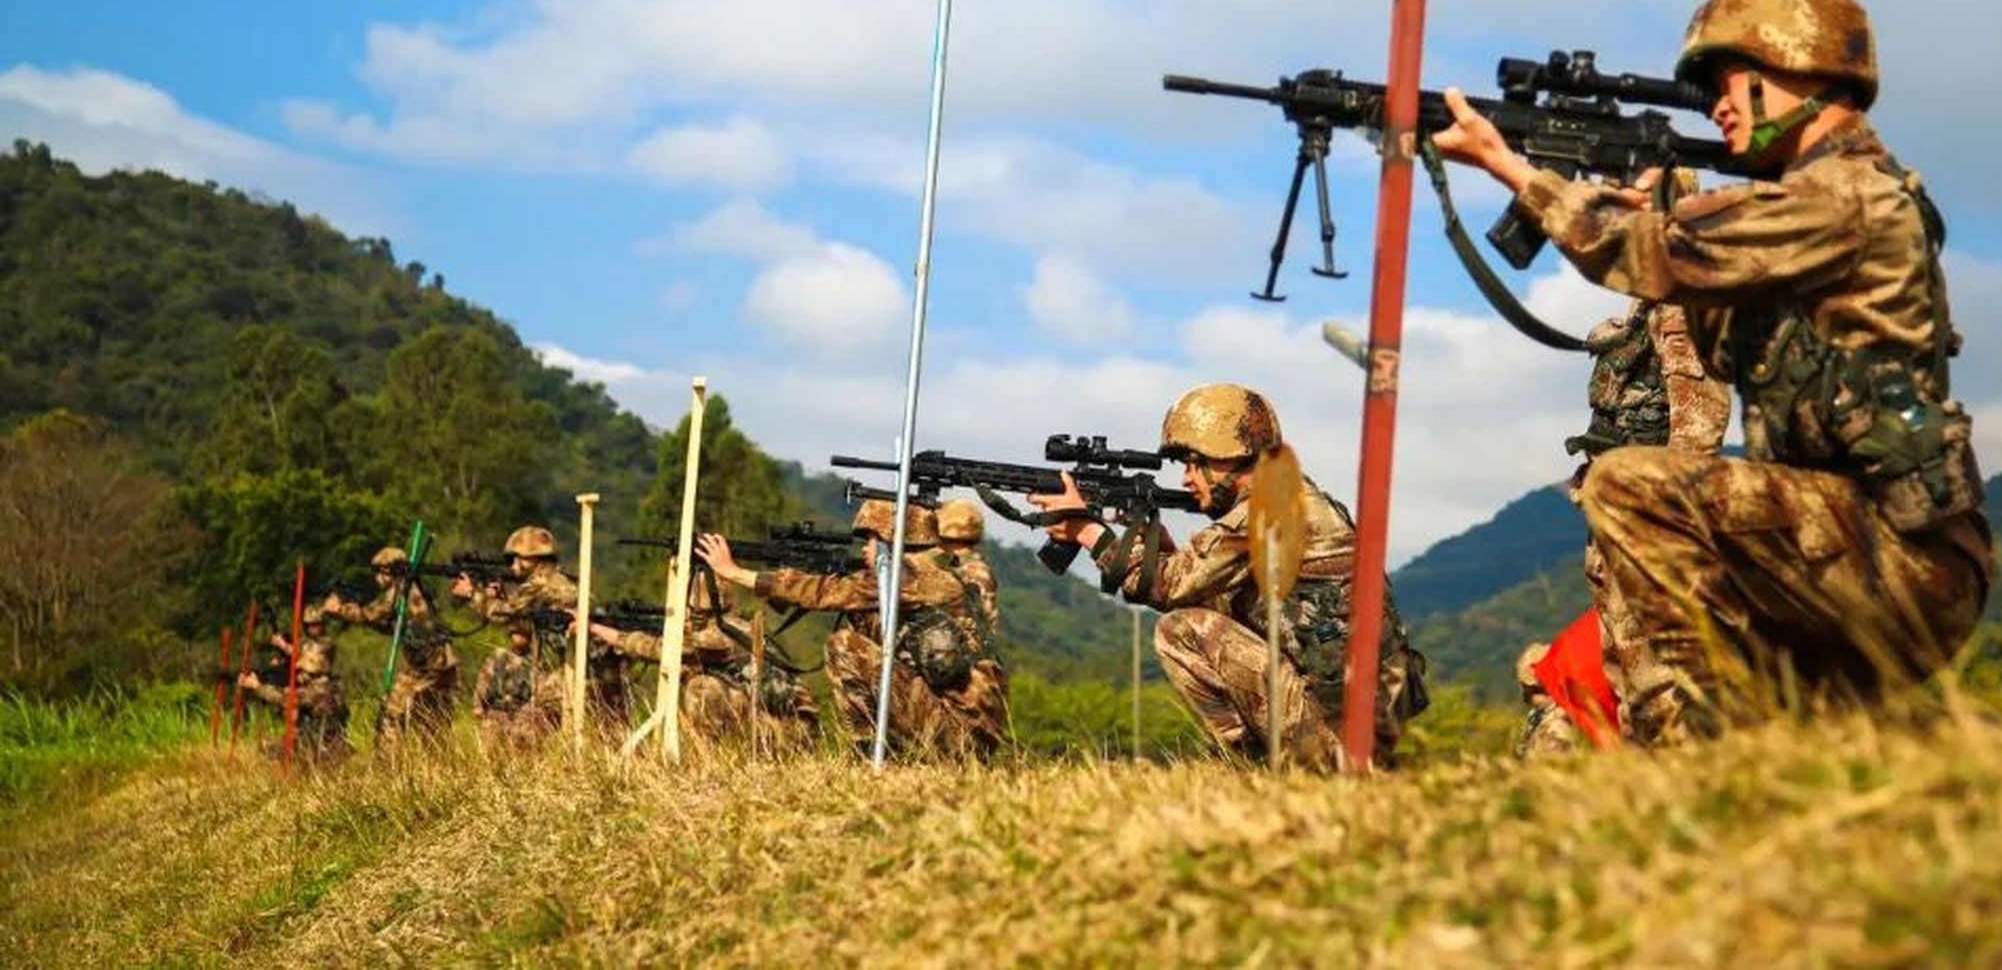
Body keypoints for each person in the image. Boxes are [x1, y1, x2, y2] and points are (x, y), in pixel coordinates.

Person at [1433, 0, 1992, 745]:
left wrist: (1512, 169)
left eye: (1730, 81)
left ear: (1797, 68)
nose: (1717, 106)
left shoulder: (1844, 194)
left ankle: (1684, 758)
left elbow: (1642, 253)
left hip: (1899, 556)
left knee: (1628, 485)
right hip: (1835, 546)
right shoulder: (1807, 202)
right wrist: (1668, 215)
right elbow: (1717, 339)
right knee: (1818, 756)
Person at [1028, 384, 1429, 771]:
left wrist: (1086, 530)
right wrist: (1158, 551)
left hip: (1341, 738)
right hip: (1361, 724)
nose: (1186, 478)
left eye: (1193, 463)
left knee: (1182, 631)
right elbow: (1193, 589)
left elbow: (1168, 588)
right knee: (1215, 608)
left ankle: (1259, 767)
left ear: (1226, 455)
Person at [1518, 169, 1730, 759]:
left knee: (1659, 690)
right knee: (1629, 688)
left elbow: (1696, 432)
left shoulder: (1680, 307)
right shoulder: (1647, 308)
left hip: (1649, 528)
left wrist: (1662, 528)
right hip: (1614, 523)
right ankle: (1644, 791)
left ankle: (1680, 785)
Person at [700, 502, 1005, 760]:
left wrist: (733, 572)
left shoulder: (908, 576)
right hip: (970, 730)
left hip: (960, 731)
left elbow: (823, 591)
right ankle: (891, 754)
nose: (864, 549)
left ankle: (867, 752)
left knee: (845, 645)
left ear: (890, 541)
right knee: (861, 637)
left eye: (871, 539)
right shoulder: (934, 573)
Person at [584, 563, 820, 756]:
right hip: (783, 723)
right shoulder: (736, 625)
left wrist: (599, 630)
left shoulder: (721, 634)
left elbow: (660, 650)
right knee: (696, 675)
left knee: (702, 687)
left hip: (790, 732)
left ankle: (711, 763)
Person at [322, 545, 459, 748]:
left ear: (388, 571)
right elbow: (396, 626)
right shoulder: (420, 591)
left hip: (424, 667)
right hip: (445, 663)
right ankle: (438, 762)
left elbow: (367, 614)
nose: (377, 577)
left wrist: (338, 608)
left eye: (378, 571)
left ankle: (388, 761)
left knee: (391, 715)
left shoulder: (399, 591)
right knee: (434, 724)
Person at [455, 525, 578, 748]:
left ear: (532, 558)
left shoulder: (541, 583)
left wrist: (472, 593)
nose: (512, 566)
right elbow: (524, 622)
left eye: (516, 559)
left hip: (567, 676)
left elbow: (502, 614)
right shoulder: (560, 581)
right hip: (566, 672)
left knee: (518, 732)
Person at [239, 604, 350, 766]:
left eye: (317, 624)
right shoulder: (320, 681)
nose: (314, 628)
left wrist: (257, 687)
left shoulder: (320, 686)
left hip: (325, 752)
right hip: (319, 744)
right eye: (310, 625)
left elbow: (285, 698)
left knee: (271, 748)